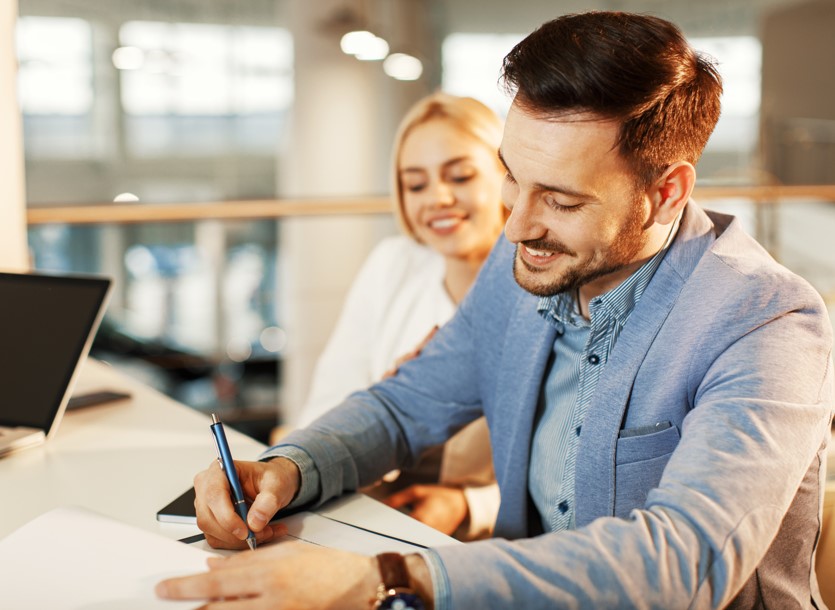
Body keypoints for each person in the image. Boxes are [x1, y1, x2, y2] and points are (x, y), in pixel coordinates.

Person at [157, 11, 834, 609]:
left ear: (664, 193)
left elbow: (685, 563)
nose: (515, 226)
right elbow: (405, 406)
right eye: (512, 175)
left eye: (562, 200)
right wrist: (289, 467)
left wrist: (386, 580)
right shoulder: (527, 269)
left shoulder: (765, 322)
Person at [296, 92, 506, 539]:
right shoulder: (393, 264)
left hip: (490, 539)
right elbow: (323, 409)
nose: (439, 198)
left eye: (461, 176)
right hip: (370, 511)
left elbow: (566, 470)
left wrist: (469, 505)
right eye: (416, 184)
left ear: (507, 174)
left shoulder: (545, 284)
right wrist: (387, 400)